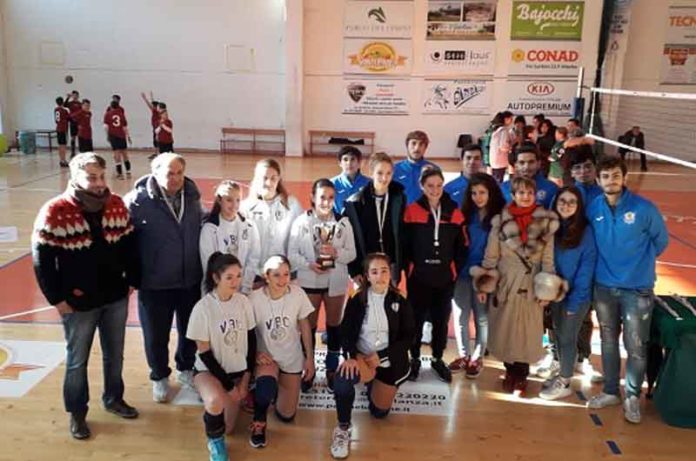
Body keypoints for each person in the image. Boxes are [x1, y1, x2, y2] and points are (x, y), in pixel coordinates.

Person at [31, 153, 139, 439]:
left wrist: (132, 279)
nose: (99, 183)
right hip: (78, 303)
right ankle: (77, 413)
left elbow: (130, 244)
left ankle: (114, 398)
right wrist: (57, 299)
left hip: (115, 298)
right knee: (77, 360)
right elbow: (42, 261)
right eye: (92, 178)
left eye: (101, 176)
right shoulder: (55, 211)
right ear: (75, 177)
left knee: (114, 355)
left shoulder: (116, 205)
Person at [586, 157, 668, 424]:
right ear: (598, 180)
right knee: (608, 340)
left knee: (635, 345)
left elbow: (661, 241)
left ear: (624, 178)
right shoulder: (593, 207)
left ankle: (632, 396)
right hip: (604, 287)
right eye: (605, 176)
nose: (611, 181)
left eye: (615, 175)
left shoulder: (644, 209)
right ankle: (611, 391)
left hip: (637, 289)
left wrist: (636, 265)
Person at [125, 153, 205, 403]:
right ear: (155, 173)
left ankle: (186, 368)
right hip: (154, 283)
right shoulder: (137, 201)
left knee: (189, 330)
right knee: (155, 335)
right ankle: (159, 375)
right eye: (170, 173)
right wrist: (130, 276)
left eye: (179, 172)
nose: (176, 178)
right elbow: (125, 242)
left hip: (189, 279)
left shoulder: (192, 196)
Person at [471, 176, 561, 393]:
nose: (525, 196)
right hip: (506, 280)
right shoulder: (500, 221)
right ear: (513, 195)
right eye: (521, 192)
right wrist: (484, 284)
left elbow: (548, 259)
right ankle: (509, 371)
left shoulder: (546, 222)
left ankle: (521, 374)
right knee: (505, 327)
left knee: (527, 330)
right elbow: (491, 255)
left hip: (531, 281)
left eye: (529, 193)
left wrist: (546, 289)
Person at [329, 253, 414, 459]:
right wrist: (350, 356)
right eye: (374, 272)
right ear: (367, 276)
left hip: (389, 361)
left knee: (379, 413)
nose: (380, 276)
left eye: (384, 271)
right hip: (363, 357)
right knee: (342, 380)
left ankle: (373, 385)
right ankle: (342, 428)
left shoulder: (400, 300)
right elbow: (346, 332)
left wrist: (383, 355)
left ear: (390, 273)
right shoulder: (357, 299)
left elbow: (409, 337)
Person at [187, 253, 256, 461]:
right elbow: (205, 354)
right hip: (209, 372)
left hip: (236, 372)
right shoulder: (202, 308)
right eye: (229, 277)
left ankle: (218, 409)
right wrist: (229, 387)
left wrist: (245, 380)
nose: (236, 282)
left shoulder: (243, 302)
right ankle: (215, 443)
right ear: (216, 278)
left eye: (238, 276)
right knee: (215, 401)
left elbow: (252, 342)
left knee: (229, 428)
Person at [288, 179, 356, 391]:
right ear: (312, 197)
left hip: (335, 281)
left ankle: (331, 367)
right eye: (322, 197)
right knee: (308, 327)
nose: (326, 202)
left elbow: (352, 254)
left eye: (330, 197)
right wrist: (309, 265)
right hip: (310, 280)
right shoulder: (301, 222)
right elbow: (291, 254)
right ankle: (308, 368)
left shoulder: (343, 223)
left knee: (334, 326)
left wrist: (336, 253)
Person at [404, 167, 466, 383]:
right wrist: (409, 268)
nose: (435, 190)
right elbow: (405, 244)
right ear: (422, 186)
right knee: (415, 320)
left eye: (439, 185)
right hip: (418, 277)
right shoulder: (412, 211)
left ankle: (438, 358)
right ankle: (414, 358)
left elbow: (462, 246)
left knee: (441, 320)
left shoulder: (454, 212)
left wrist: (454, 270)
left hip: (444, 278)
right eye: (430, 186)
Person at [247, 255, 315, 448]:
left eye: (286, 274)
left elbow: (305, 326)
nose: (282, 279)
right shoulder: (254, 298)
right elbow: (246, 332)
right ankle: (259, 420)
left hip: (291, 358)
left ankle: (274, 391)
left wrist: (309, 358)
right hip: (267, 357)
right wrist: (255, 354)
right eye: (276, 275)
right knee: (266, 388)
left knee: (287, 415)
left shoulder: (297, 293)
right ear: (266, 276)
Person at [539, 187, 596, 400]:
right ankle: (562, 371)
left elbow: (585, 272)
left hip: (576, 297)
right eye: (562, 201)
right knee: (558, 333)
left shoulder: (586, 233)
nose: (566, 205)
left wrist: (574, 303)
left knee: (568, 338)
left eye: (572, 202)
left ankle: (564, 382)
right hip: (555, 295)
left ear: (579, 206)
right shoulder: (551, 229)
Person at [449, 173, 505, 378]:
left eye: (482, 192)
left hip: (485, 274)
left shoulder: (499, 218)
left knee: (481, 316)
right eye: (473, 193)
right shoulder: (464, 214)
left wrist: (486, 280)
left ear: (491, 193)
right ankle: (464, 355)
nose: (478, 197)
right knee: (460, 315)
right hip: (462, 272)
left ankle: (478, 357)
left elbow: (498, 252)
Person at [344, 152, 406, 286]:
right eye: (380, 173)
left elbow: (402, 233)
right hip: (365, 267)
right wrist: (354, 270)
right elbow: (350, 239)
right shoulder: (356, 202)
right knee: (365, 299)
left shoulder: (399, 199)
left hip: (390, 266)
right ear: (371, 173)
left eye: (388, 173)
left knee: (389, 299)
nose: (384, 178)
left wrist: (401, 265)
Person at [240, 159, 303, 282]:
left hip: (283, 274)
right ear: (256, 179)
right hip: (255, 275)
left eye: (273, 178)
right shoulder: (245, 208)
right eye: (264, 178)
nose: (268, 183)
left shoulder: (291, 205)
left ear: (279, 179)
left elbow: (301, 238)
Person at [200, 180, 261, 295]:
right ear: (219, 200)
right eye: (229, 200)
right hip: (217, 291)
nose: (234, 205)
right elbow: (208, 264)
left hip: (242, 290)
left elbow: (253, 259)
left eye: (238, 200)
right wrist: (222, 290)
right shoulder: (209, 229)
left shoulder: (249, 226)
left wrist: (245, 287)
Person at [501, 143, 559, 209]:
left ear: (538, 164)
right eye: (521, 162)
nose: (526, 167)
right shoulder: (504, 189)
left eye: (531, 162)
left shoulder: (551, 188)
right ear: (515, 165)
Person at [393, 131, 439, 204]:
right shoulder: (395, 169)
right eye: (413, 143)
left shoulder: (434, 169)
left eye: (421, 144)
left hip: (424, 210)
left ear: (425, 148)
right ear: (407, 145)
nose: (417, 148)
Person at [331, 146, 370, 214]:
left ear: (359, 163)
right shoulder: (332, 184)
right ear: (340, 163)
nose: (349, 163)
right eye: (345, 159)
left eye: (352, 159)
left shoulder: (369, 183)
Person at [103, 100, 132, 179]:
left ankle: (120, 174)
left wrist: (107, 135)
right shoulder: (121, 114)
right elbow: (124, 127)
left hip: (113, 136)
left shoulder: (108, 114)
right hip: (122, 136)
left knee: (117, 155)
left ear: (111, 106)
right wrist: (128, 136)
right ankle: (128, 172)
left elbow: (105, 127)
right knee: (125, 154)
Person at [489, 111, 515, 183]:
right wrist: (511, 147)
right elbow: (503, 146)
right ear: (506, 119)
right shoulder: (503, 130)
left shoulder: (495, 129)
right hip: (500, 160)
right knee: (498, 181)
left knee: (496, 179)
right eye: (511, 119)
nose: (512, 121)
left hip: (494, 159)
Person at [140, 91, 162, 159]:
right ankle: (157, 153)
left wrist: (144, 98)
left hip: (157, 128)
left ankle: (158, 154)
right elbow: (153, 104)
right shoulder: (157, 110)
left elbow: (149, 105)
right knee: (156, 141)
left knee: (157, 141)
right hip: (156, 127)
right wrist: (151, 96)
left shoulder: (155, 111)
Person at [65, 90, 82, 157]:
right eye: (73, 95)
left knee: (80, 137)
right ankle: (72, 152)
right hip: (72, 122)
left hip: (79, 122)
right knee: (73, 137)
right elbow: (64, 106)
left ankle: (81, 151)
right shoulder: (70, 103)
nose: (75, 96)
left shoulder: (80, 104)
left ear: (78, 96)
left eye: (76, 95)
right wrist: (67, 98)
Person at [54, 97, 70, 167]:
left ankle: (61, 160)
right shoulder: (65, 110)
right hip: (63, 129)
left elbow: (56, 120)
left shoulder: (56, 110)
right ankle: (63, 160)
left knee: (60, 145)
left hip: (58, 128)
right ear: (63, 102)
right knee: (63, 145)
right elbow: (69, 118)